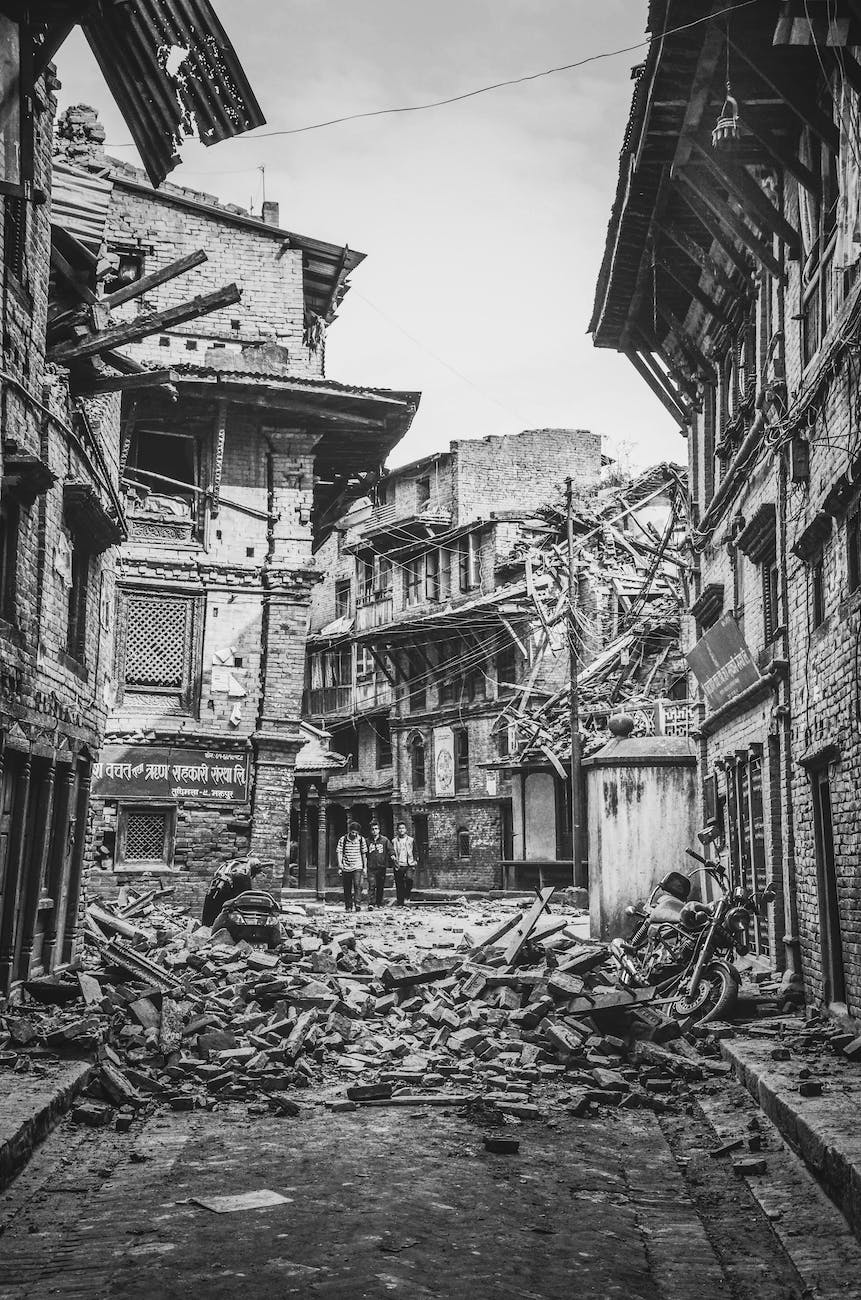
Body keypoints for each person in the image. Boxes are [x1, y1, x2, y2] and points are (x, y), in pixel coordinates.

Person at [202, 857, 264, 927]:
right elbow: (244, 898)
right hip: (221, 909)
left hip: (213, 904)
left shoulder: (227, 873)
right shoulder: (243, 877)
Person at [337, 821, 367, 912]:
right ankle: (348, 906)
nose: (354, 834)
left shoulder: (361, 840)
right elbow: (339, 852)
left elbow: (363, 853)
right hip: (346, 866)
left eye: (356, 833)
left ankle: (357, 904)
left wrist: (364, 867)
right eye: (352, 832)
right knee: (347, 887)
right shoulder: (343, 839)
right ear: (349, 831)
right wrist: (340, 865)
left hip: (357, 865)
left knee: (358, 885)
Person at [366, 819, 395, 909]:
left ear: (379, 830)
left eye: (376, 829)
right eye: (372, 829)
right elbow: (364, 852)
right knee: (371, 885)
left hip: (381, 866)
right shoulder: (367, 841)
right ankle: (371, 903)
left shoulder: (384, 840)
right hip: (371, 867)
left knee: (380, 885)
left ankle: (379, 903)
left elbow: (390, 849)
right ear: (370, 830)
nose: (374, 831)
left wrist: (392, 855)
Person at [391, 822, 416, 907]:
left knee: (409, 879)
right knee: (399, 883)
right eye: (400, 828)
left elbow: (415, 851)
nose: (401, 830)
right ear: (397, 830)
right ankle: (400, 902)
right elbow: (391, 851)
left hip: (409, 864)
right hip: (398, 864)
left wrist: (415, 861)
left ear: (406, 830)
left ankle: (407, 896)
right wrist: (393, 859)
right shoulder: (394, 841)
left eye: (403, 828)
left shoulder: (411, 840)